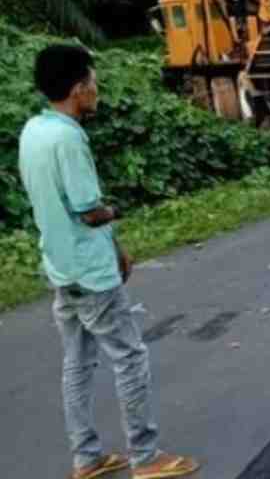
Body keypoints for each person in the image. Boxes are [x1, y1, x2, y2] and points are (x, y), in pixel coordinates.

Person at [18, 45, 199, 479]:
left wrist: (116, 246)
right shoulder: (69, 137)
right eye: (93, 82)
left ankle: (87, 458)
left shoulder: (34, 130)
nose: (97, 90)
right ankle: (146, 457)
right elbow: (89, 209)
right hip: (91, 273)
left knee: (77, 362)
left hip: (60, 266)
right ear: (79, 88)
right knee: (130, 358)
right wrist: (116, 213)